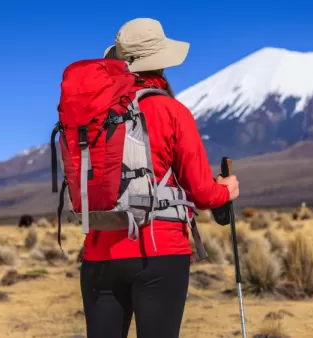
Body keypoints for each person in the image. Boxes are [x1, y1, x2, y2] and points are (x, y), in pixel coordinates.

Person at [79, 18, 240, 338]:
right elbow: (203, 193)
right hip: (159, 250)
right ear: (161, 64)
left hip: (98, 252)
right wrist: (226, 190)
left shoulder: (91, 115)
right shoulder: (172, 112)